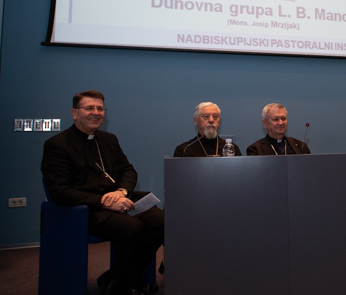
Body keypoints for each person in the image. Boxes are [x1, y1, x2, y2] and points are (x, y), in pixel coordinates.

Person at [41, 90, 164, 295]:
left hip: (119, 200)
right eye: (89, 108)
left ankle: (116, 277)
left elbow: (128, 170)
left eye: (100, 108)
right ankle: (127, 285)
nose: (96, 113)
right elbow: (59, 191)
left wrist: (121, 191)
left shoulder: (109, 139)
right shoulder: (57, 145)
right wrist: (104, 201)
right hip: (88, 209)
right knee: (132, 227)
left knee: (161, 221)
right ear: (74, 113)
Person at [173, 102, 242, 157]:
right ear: (195, 120)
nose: (211, 120)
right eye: (206, 116)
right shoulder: (184, 150)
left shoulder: (232, 149)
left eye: (215, 116)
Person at [246, 103, 311, 155]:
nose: (281, 123)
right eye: (276, 119)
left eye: (283, 119)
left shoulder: (301, 146)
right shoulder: (255, 150)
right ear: (265, 123)